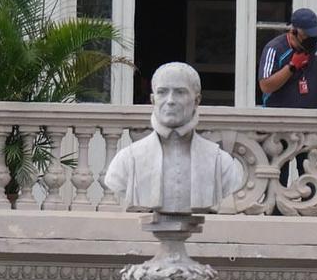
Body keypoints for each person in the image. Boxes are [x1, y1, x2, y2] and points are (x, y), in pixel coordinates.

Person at [102, 61, 248, 212]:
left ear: (197, 100)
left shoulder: (221, 163)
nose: (170, 100)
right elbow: (116, 184)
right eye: (162, 92)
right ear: (153, 100)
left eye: (180, 92)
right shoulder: (126, 161)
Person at [258, 8, 317, 203]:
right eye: (307, 35)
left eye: (314, 33)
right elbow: (265, 85)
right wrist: (292, 67)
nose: (311, 39)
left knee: (310, 179)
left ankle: (310, 223)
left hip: (309, 124)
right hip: (278, 125)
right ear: (293, 32)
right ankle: (276, 222)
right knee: (277, 180)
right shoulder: (275, 48)